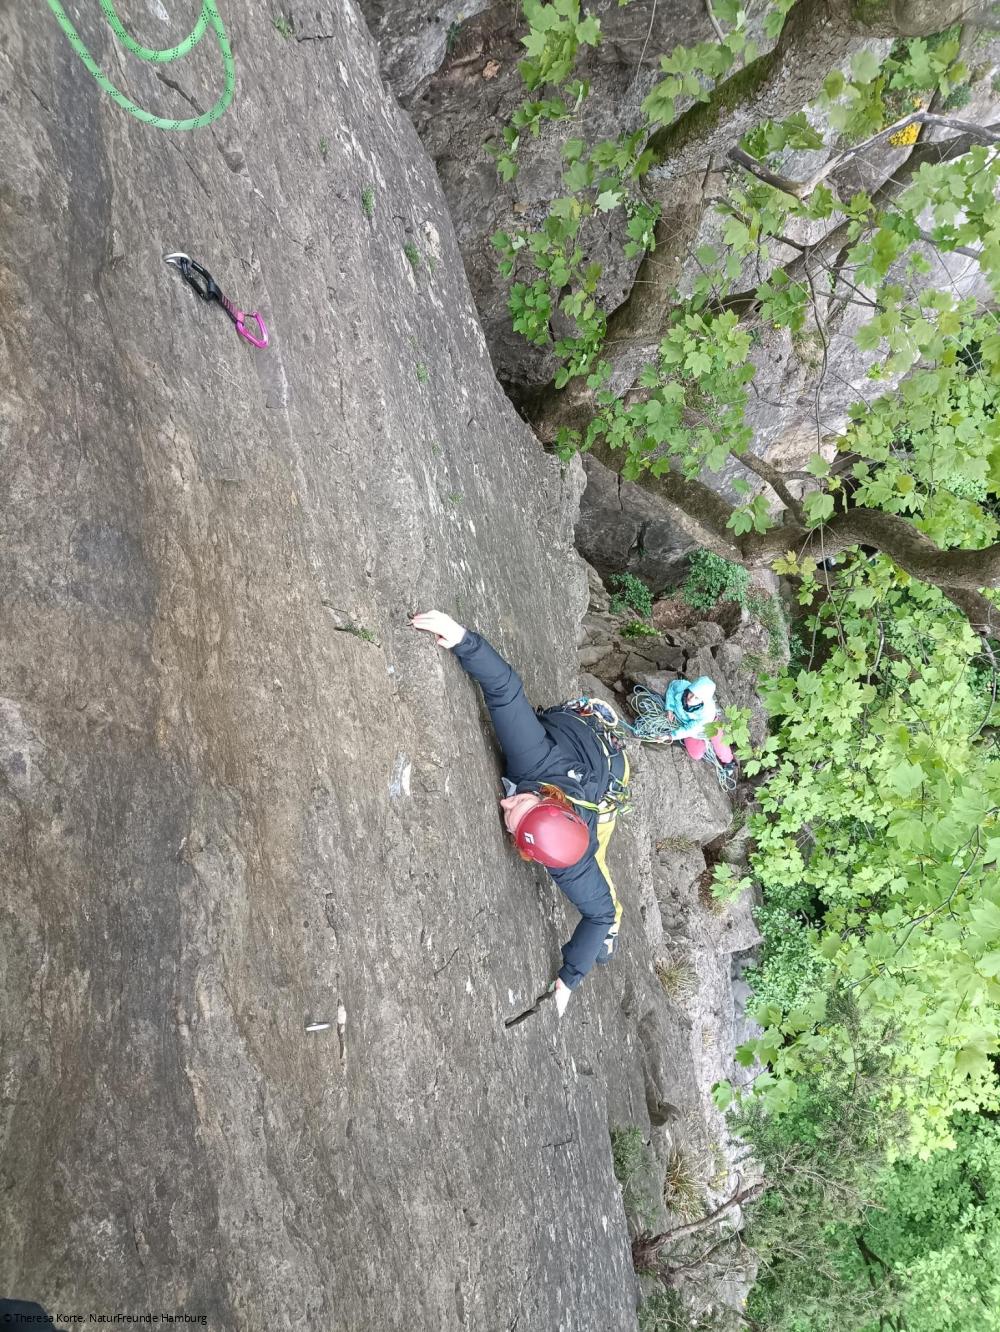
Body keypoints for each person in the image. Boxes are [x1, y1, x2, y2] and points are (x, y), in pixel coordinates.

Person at [411, 610, 631, 1018]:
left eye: (512, 818)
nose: (504, 803)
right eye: (519, 804)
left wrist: (570, 977)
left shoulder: (568, 858)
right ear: (545, 797)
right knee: (595, 872)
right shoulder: (533, 758)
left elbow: (597, 913)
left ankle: (611, 934)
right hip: (583, 739)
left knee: (600, 878)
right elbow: (504, 689)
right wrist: (461, 638)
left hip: (606, 783)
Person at [663, 675, 735, 778]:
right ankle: (706, 745)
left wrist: (670, 736)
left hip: (709, 725)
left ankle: (729, 762)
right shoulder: (682, 687)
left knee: (720, 746)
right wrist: (669, 708)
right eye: (691, 693)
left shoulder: (707, 713)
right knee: (696, 754)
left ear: (703, 701)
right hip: (688, 724)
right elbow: (672, 687)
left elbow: (689, 730)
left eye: (697, 698)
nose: (691, 698)